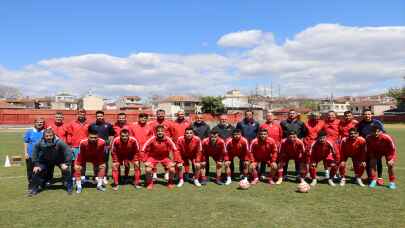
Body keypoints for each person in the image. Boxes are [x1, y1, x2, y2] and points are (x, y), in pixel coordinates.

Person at [29, 128, 73, 196]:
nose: (49, 137)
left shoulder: (59, 142)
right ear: (44, 136)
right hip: (45, 161)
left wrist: (67, 163)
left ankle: (69, 187)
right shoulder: (40, 143)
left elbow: (67, 151)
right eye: (47, 136)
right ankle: (34, 189)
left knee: (67, 170)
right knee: (36, 171)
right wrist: (36, 164)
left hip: (59, 160)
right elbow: (35, 153)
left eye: (50, 136)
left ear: (53, 135)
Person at [142, 125, 181, 189]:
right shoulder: (152, 139)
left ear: (164, 132)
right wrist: (144, 160)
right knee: (148, 170)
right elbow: (143, 148)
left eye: (162, 131)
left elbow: (175, 149)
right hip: (153, 157)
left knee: (172, 169)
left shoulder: (168, 139)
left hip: (164, 157)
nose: (160, 132)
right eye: (158, 131)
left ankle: (170, 182)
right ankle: (150, 183)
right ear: (156, 132)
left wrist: (175, 161)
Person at [74, 126, 107, 193]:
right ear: (88, 137)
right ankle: (79, 186)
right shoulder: (83, 142)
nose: (93, 139)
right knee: (77, 168)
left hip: (96, 157)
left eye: (95, 138)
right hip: (84, 157)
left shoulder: (102, 142)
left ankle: (99, 185)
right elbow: (80, 155)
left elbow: (101, 154)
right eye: (91, 137)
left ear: (98, 137)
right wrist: (78, 164)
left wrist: (101, 164)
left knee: (103, 167)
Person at [358, 109, 385, 185]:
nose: (367, 116)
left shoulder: (377, 122)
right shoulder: (360, 124)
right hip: (366, 146)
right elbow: (358, 135)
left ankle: (379, 178)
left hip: (377, 146)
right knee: (367, 162)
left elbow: (383, 132)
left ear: (371, 115)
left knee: (378, 161)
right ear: (363, 115)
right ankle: (370, 177)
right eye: (365, 114)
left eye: (369, 114)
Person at [366, 124, 397, 189]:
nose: (376, 133)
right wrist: (372, 156)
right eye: (374, 131)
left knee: (390, 165)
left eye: (378, 131)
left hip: (388, 152)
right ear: (371, 132)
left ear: (381, 131)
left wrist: (392, 159)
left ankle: (392, 182)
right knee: (372, 163)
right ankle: (374, 180)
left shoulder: (387, 137)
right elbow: (369, 148)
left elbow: (393, 149)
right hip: (376, 152)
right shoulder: (368, 137)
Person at [89, 110, 115, 184]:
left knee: (105, 162)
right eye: (98, 116)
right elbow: (90, 135)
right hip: (94, 147)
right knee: (95, 162)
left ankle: (104, 176)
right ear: (96, 117)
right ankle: (96, 176)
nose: (99, 117)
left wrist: (109, 144)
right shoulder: (92, 125)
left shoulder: (108, 125)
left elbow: (112, 135)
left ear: (103, 116)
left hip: (105, 147)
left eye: (101, 116)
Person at [280, 109, 307, 179]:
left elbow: (305, 132)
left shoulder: (301, 123)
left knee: (298, 159)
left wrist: (301, 139)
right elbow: (281, 133)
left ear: (296, 114)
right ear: (288, 114)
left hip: (296, 145)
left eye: (293, 113)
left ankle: (298, 174)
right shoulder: (283, 123)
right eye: (290, 113)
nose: (291, 114)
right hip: (286, 144)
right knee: (285, 159)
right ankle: (284, 174)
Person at [47, 112, 70, 185]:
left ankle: (65, 180)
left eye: (60, 117)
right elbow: (45, 136)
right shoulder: (49, 126)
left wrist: (68, 146)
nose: (58, 119)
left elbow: (68, 136)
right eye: (57, 117)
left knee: (64, 166)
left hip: (62, 150)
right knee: (50, 166)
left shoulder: (66, 126)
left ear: (62, 118)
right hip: (51, 150)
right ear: (55, 117)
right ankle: (49, 180)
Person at [67, 109, 89, 182]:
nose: (81, 114)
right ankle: (74, 176)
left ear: (85, 114)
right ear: (77, 114)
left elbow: (90, 135)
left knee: (83, 162)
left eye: (83, 113)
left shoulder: (88, 124)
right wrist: (70, 145)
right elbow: (69, 134)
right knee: (74, 163)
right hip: (74, 146)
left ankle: (82, 176)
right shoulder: (72, 123)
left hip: (85, 147)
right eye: (80, 113)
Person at [23, 118, 45, 192]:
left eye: (41, 122)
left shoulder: (45, 132)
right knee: (30, 171)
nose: (40, 123)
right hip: (30, 155)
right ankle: (30, 185)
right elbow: (26, 142)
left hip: (41, 156)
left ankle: (39, 185)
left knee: (40, 171)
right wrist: (25, 153)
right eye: (38, 122)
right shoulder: (29, 131)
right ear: (35, 123)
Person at [236, 110, 260, 177]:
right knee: (242, 159)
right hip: (243, 144)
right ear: (245, 115)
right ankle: (242, 172)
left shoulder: (256, 123)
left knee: (254, 158)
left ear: (252, 115)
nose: (248, 116)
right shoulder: (240, 123)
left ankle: (255, 172)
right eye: (247, 114)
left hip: (253, 145)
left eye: (250, 115)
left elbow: (258, 134)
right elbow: (237, 133)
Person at [113, 112, 132, 182]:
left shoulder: (129, 126)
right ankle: (118, 177)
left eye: (123, 118)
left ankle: (126, 176)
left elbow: (131, 137)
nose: (121, 119)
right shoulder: (114, 126)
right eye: (120, 118)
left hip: (127, 148)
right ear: (117, 118)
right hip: (117, 149)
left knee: (127, 164)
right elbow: (112, 136)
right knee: (117, 164)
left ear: (125, 118)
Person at [322, 111, 341, 178]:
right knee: (325, 157)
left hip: (336, 143)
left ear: (335, 115)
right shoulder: (324, 122)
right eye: (329, 115)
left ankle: (335, 172)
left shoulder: (339, 122)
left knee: (336, 158)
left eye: (332, 115)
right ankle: (326, 171)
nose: (330, 116)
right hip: (326, 143)